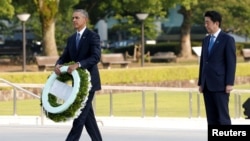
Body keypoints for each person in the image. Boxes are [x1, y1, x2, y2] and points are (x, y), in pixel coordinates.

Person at [54, 9, 102, 141]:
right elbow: (64, 57)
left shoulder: (93, 36)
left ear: (84, 20)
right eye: (73, 18)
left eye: (77, 18)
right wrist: (58, 64)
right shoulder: (71, 39)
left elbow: (96, 57)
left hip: (89, 83)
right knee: (88, 118)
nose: (74, 20)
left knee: (79, 116)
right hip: (77, 84)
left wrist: (78, 64)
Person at [198, 10, 236, 125]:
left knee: (222, 117)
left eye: (207, 22)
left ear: (216, 23)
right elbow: (203, 62)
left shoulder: (227, 39)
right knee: (211, 118)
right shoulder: (206, 40)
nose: (205, 25)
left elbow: (231, 62)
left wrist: (229, 83)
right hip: (207, 85)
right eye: (205, 22)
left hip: (220, 85)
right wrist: (201, 82)